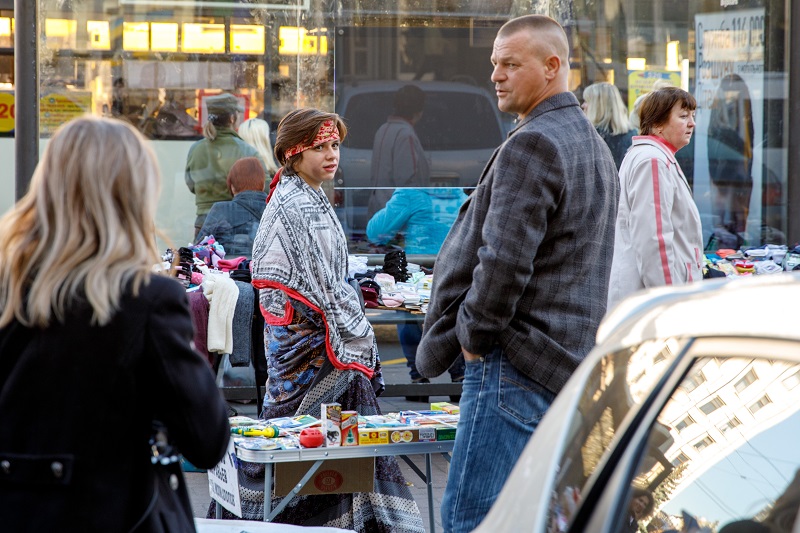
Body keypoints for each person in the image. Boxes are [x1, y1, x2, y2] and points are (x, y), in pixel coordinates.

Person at [416, 15, 619, 532]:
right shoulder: (590, 142)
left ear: (552, 66)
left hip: (514, 363)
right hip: (559, 364)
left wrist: (474, 338)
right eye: (494, 63)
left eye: (509, 63)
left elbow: (503, 261)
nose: (495, 75)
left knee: (473, 519)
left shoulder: (536, 143)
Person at [0, 116, 230, 531]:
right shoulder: (148, 299)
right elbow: (206, 439)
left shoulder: (9, 286)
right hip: (112, 513)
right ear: (133, 196)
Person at [213, 108, 424, 531]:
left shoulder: (307, 194)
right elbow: (320, 291)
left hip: (313, 348)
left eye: (335, 145)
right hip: (313, 351)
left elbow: (329, 281)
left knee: (324, 457)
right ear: (294, 153)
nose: (332, 155)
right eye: (320, 147)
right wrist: (357, 327)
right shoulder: (296, 204)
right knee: (307, 455)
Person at [366, 186, 468, 400]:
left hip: (416, 271)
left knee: (408, 316)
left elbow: (376, 232)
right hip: (455, 268)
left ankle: (418, 379)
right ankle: (459, 377)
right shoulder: (459, 195)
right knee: (453, 317)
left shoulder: (410, 194)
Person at [607, 86, 702, 310]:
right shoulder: (653, 160)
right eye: (683, 116)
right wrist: (669, 303)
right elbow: (654, 242)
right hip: (652, 305)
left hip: (646, 300)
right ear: (658, 124)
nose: (692, 123)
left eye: (692, 116)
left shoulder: (653, 157)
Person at [185, 92, 264, 238]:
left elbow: (191, 185)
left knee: (202, 253)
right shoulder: (246, 150)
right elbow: (262, 188)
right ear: (232, 118)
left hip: (202, 222)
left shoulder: (196, 149)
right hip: (234, 224)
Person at [367, 84, 430, 217]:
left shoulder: (383, 129)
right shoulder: (405, 135)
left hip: (380, 209)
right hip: (397, 214)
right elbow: (407, 180)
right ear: (418, 111)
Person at [196, 156, 268, 259]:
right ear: (263, 184)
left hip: (226, 268)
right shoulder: (274, 209)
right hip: (264, 268)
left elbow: (199, 250)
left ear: (232, 186)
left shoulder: (221, 210)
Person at [582, 81, 637, 169]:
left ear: (598, 106)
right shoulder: (632, 135)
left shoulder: (589, 136)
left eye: (587, 101)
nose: (583, 105)